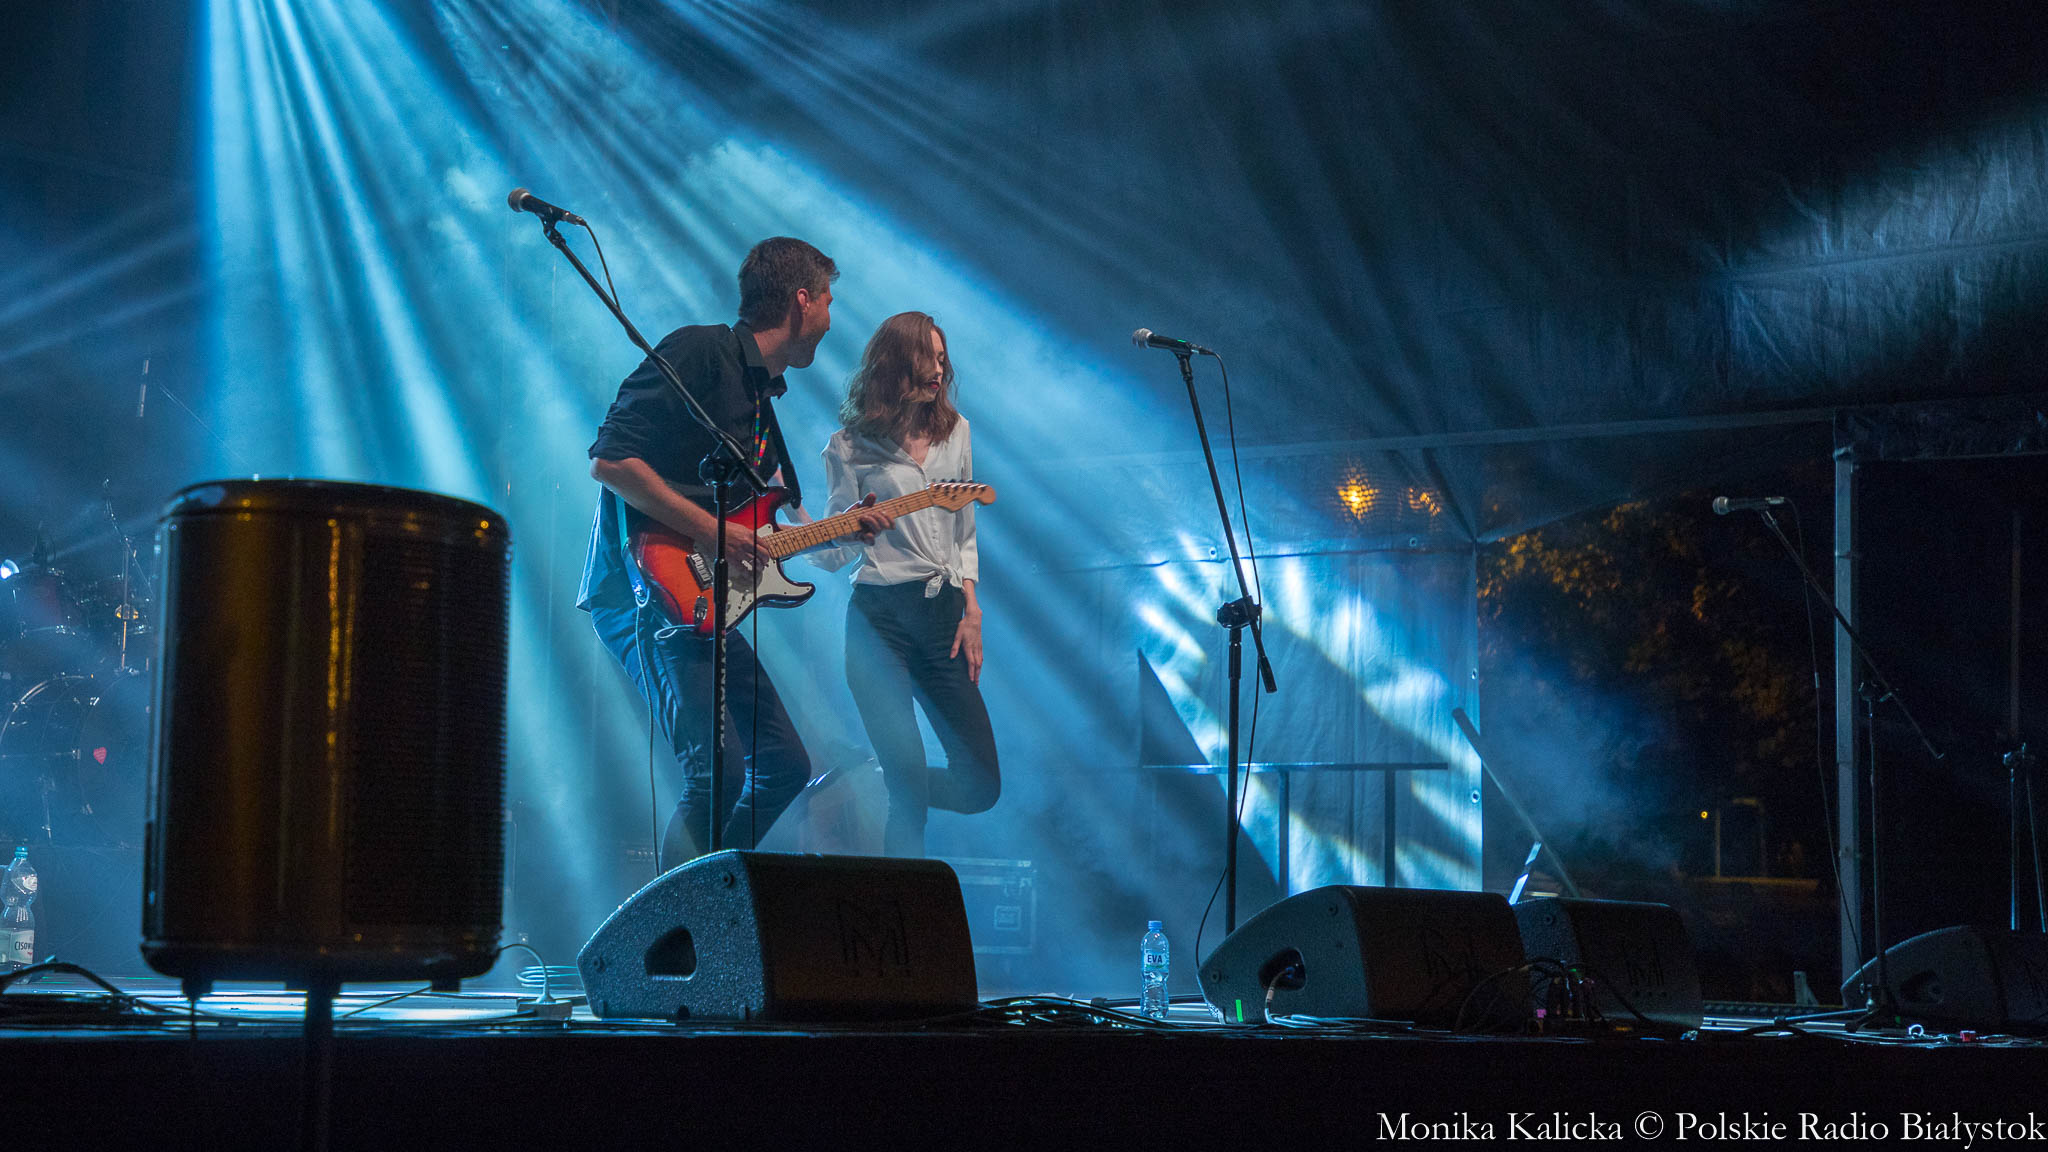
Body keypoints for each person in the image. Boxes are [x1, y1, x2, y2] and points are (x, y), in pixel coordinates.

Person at [577, 237, 889, 867]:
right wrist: (714, 533)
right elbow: (610, 461)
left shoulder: (762, 401)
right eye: (827, 300)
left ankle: (713, 900)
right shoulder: (701, 351)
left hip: (703, 597)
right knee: (716, 770)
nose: (832, 317)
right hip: (642, 589)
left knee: (782, 766)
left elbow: (772, 522)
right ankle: (665, 944)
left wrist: (841, 529)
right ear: (802, 301)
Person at [813, 311, 1000, 858]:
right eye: (927, 359)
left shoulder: (956, 432)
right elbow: (833, 556)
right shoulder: (847, 446)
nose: (939, 371)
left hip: (943, 615)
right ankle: (905, 921)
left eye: (943, 359)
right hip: (878, 619)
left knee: (980, 787)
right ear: (895, 365)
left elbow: (964, 529)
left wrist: (972, 610)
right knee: (909, 800)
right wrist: (850, 522)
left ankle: (879, 775)